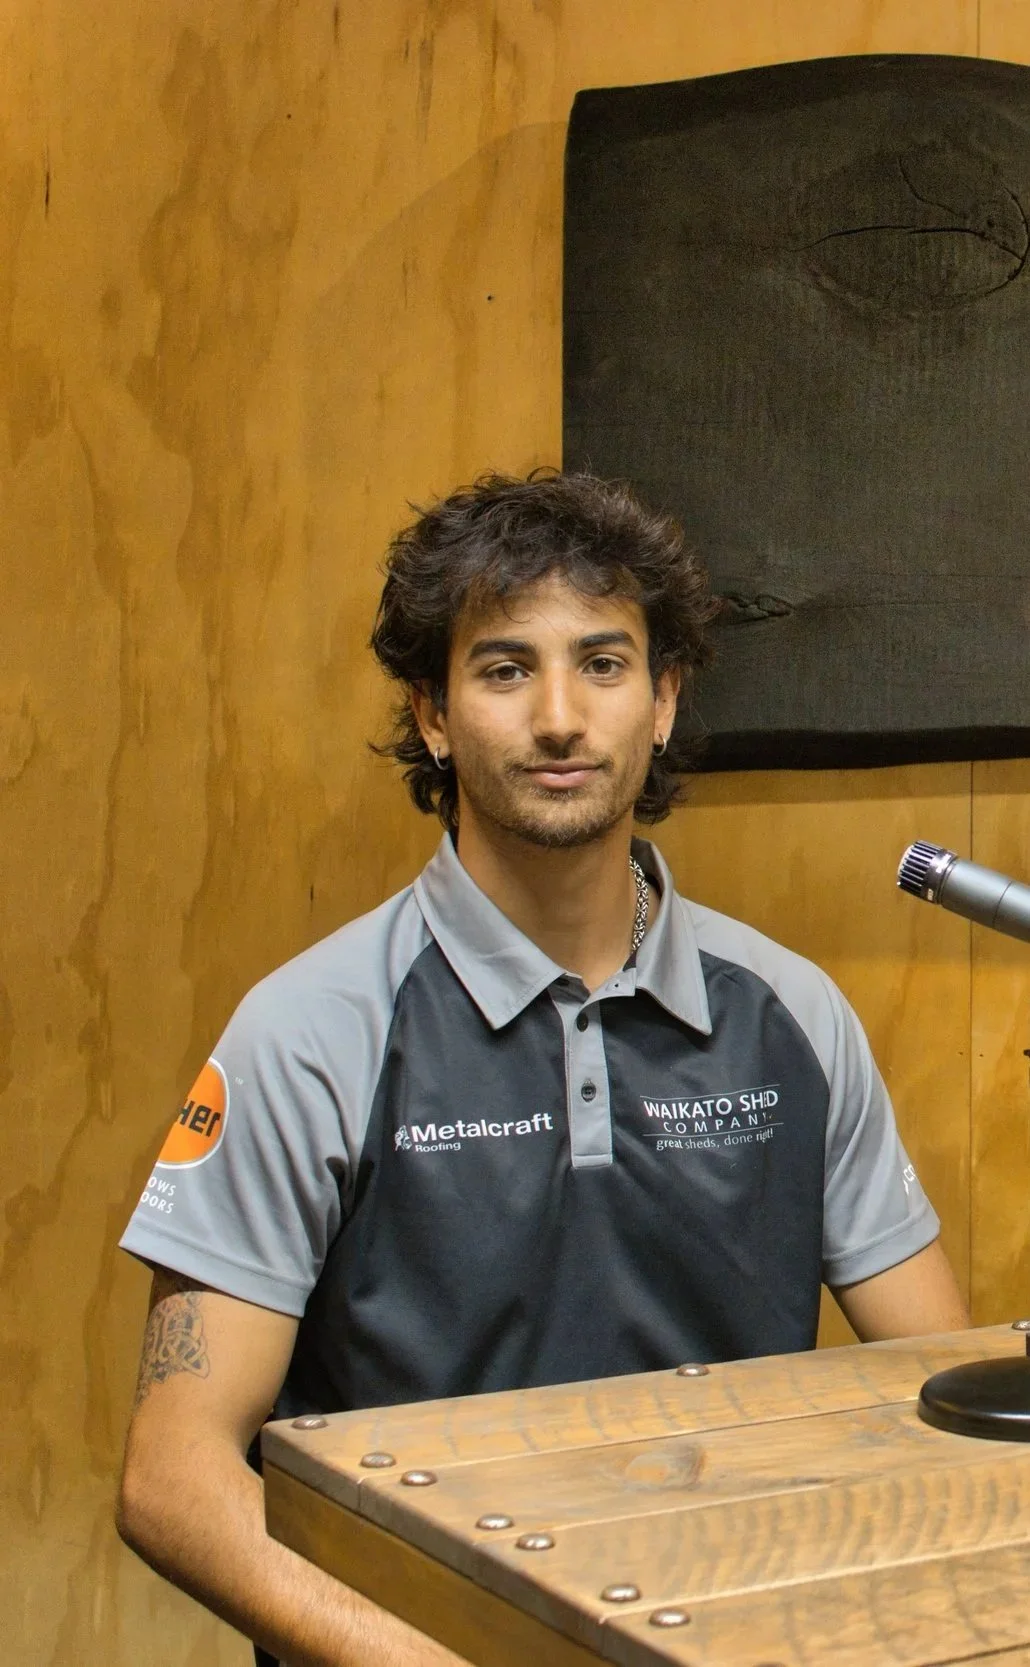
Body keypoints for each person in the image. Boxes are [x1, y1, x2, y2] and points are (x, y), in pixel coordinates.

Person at [116, 471, 969, 1667]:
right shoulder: (308, 1031)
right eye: (505, 668)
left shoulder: (793, 1013)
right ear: (431, 711)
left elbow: (938, 1393)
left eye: (605, 664)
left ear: (663, 700)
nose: (560, 715)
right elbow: (173, 1473)